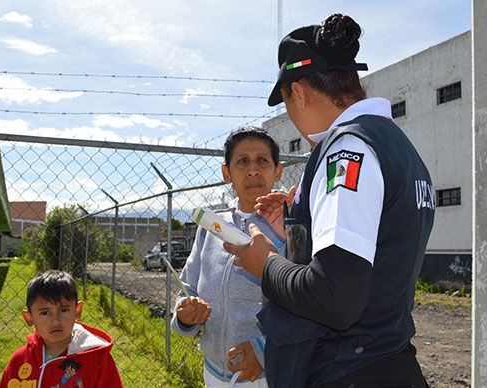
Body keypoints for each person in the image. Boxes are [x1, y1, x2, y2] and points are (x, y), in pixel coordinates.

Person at [224, 14, 435, 388]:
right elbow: (373, 258)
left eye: (286, 102)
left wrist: (266, 263)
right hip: (385, 361)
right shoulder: (396, 146)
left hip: (351, 371)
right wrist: (299, 231)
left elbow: (335, 297)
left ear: (300, 93)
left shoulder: (347, 152)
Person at [171, 127, 286, 387]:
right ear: (227, 173)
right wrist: (185, 316)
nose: (253, 170)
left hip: (266, 374)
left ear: (277, 171)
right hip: (213, 372)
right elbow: (186, 289)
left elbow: (305, 305)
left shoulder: (288, 229)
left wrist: (264, 351)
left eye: (262, 161)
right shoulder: (211, 227)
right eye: (242, 161)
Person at [0, 270, 122, 388]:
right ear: (29, 318)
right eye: (45, 313)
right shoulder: (19, 360)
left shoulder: (98, 358)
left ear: (77, 310)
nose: (55, 320)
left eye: (64, 310)